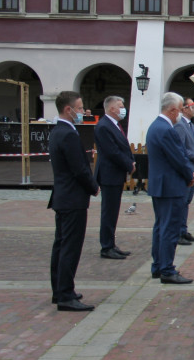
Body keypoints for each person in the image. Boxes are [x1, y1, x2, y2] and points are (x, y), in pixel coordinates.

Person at [48, 91, 98, 311]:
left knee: (60, 245)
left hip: (63, 196)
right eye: (79, 108)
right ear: (68, 110)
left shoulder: (57, 131)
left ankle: (60, 289)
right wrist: (93, 187)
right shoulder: (67, 134)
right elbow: (79, 168)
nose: (82, 112)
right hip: (72, 198)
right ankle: (65, 294)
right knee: (69, 247)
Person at [146, 92, 194, 285]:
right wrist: (189, 175)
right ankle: (167, 269)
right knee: (169, 228)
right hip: (170, 186)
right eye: (181, 108)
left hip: (161, 185)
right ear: (173, 109)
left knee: (160, 226)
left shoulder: (155, 126)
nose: (182, 112)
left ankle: (159, 265)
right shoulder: (166, 129)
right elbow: (178, 158)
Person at [93, 95, 134, 261]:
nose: (123, 108)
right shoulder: (103, 126)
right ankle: (106, 246)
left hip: (116, 175)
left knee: (113, 211)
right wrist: (129, 164)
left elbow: (122, 147)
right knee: (108, 212)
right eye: (120, 106)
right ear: (111, 108)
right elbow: (112, 152)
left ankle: (111, 243)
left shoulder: (114, 125)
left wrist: (130, 161)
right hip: (109, 175)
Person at [176, 99, 194, 245]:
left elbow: (192, 146)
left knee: (187, 202)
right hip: (187, 168)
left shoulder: (191, 125)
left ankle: (183, 230)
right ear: (184, 109)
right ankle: (178, 232)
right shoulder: (180, 125)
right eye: (192, 107)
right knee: (182, 202)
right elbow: (180, 149)